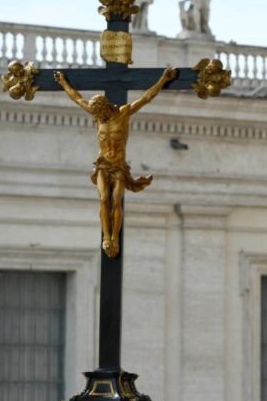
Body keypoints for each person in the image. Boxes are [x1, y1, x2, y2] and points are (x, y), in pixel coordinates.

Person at [54, 66, 178, 257]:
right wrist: (63, 82)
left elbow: (146, 98)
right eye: (97, 115)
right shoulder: (97, 115)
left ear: (105, 107)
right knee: (104, 199)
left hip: (118, 166)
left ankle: (115, 238)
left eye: (100, 113)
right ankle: (106, 237)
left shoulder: (123, 113)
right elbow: (77, 98)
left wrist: (163, 79)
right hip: (103, 164)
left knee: (116, 200)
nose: (98, 117)